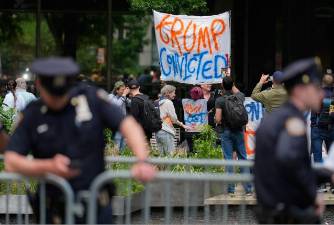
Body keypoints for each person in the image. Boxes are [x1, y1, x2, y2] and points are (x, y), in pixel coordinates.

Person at [4, 57, 156, 224]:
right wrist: (48, 166)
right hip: (53, 210)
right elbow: (12, 161)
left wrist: (142, 159)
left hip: (96, 208)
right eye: (53, 96)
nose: (58, 101)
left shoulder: (91, 98)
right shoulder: (32, 113)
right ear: (40, 85)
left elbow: (127, 124)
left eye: (62, 95)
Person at [254, 57, 334, 224]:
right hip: (286, 215)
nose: (321, 94)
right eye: (316, 88)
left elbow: (288, 169)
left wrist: (326, 175)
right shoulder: (293, 122)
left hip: (273, 212)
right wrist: (313, 195)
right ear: (300, 90)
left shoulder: (277, 118)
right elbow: (290, 160)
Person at [215, 75, 251, 195]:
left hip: (226, 132)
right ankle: (248, 189)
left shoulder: (220, 100)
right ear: (233, 84)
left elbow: (218, 119)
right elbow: (237, 91)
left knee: (229, 160)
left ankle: (231, 190)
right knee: (243, 159)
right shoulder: (239, 97)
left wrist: (216, 119)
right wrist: (232, 83)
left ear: (222, 86)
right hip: (239, 131)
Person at [156, 85, 190, 155]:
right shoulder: (168, 102)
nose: (175, 95)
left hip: (158, 131)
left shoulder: (157, 102)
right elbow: (174, 118)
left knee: (161, 156)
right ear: (168, 93)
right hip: (166, 130)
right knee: (170, 155)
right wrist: (182, 125)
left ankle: (160, 166)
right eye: (173, 93)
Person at [311, 73, 334, 163]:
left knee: (317, 158)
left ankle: (319, 176)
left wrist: (313, 125)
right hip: (332, 128)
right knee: (332, 159)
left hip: (317, 128)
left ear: (322, 82)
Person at [183, 86, 207, 153]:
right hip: (201, 130)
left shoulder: (184, 102)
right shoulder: (205, 102)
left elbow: (175, 100)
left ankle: (190, 163)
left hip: (189, 130)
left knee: (191, 151)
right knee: (201, 151)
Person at [108, 81, 131, 150]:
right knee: (117, 140)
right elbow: (116, 106)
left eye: (124, 90)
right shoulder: (110, 97)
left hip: (124, 123)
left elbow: (131, 104)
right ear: (117, 90)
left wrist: (131, 95)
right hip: (116, 124)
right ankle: (116, 158)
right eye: (122, 90)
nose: (124, 92)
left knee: (124, 142)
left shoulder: (123, 97)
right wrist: (124, 96)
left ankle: (122, 158)